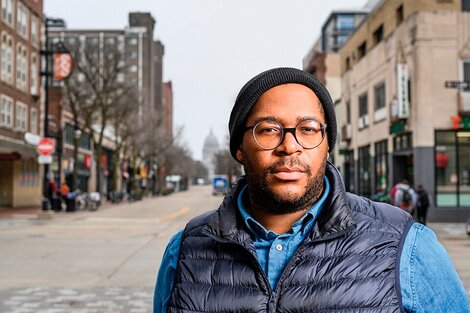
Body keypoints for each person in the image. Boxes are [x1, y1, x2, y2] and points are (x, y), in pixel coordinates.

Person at [154, 68, 469, 312]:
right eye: (268, 130)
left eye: (308, 129)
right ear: (238, 148)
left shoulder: (406, 246)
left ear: (327, 146)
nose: (289, 146)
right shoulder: (184, 252)